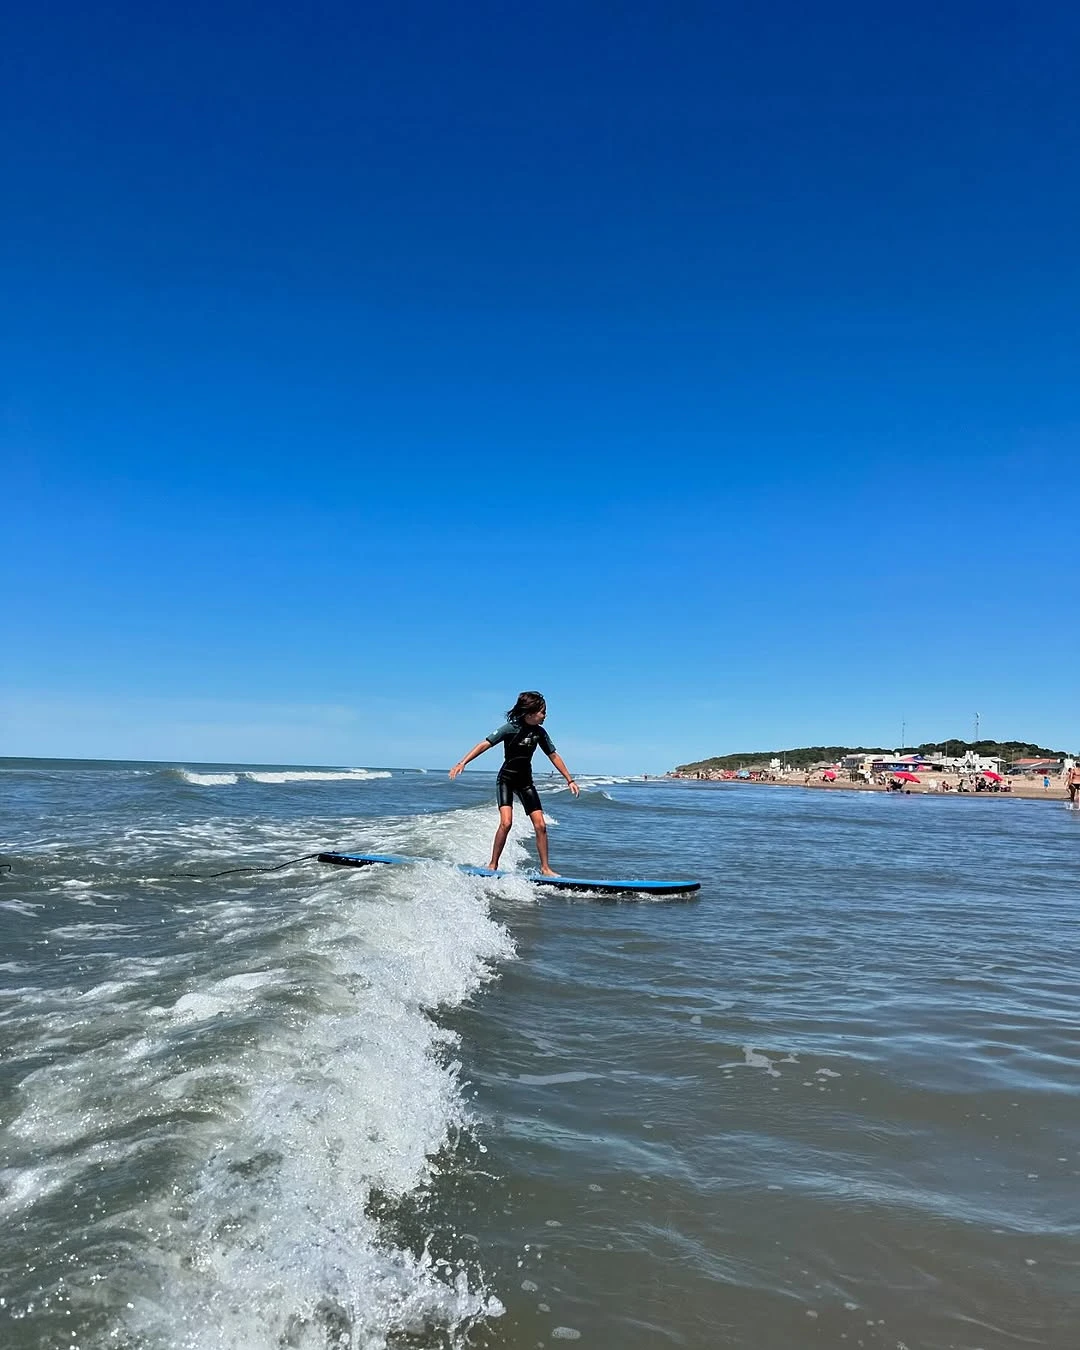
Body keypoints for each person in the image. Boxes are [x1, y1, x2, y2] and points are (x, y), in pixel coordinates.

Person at [449, 691, 579, 875]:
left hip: (525, 782)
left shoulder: (540, 733)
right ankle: (493, 864)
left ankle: (545, 868)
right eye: (542, 712)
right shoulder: (510, 728)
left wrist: (569, 780)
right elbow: (484, 744)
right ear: (530, 712)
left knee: (541, 825)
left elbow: (553, 755)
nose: (545, 716)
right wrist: (462, 762)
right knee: (506, 822)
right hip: (506, 780)